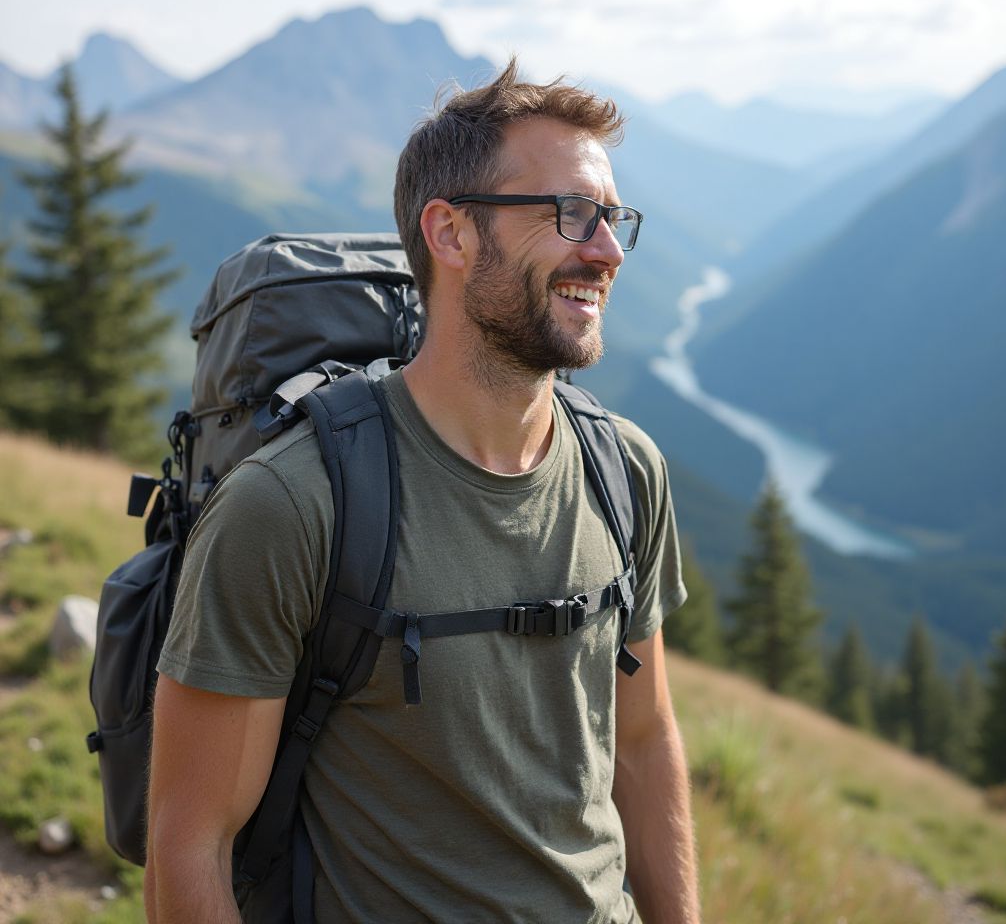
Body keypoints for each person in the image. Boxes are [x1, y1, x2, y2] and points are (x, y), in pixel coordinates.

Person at [145, 59, 701, 924]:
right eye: (572, 215)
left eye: (614, 217)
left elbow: (642, 741)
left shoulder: (625, 472)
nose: (608, 249)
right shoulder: (293, 505)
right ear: (450, 234)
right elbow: (190, 844)